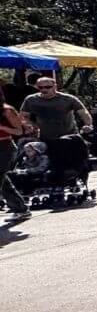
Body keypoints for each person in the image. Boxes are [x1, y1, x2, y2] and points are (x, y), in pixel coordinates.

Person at [20, 75, 92, 142]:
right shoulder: (31, 99)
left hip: (69, 136)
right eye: (40, 87)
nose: (44, 89)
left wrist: (88, 125)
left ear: (55, 86)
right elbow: (23, 116)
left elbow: (83, 113)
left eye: (48, 87)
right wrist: (30, 126)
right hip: (44, 137)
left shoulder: (68, 99)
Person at [0, 88, 33, 226]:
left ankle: (20, 208)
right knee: (3, 181)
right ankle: (20, 208)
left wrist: (2, 127)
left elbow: (19, 131)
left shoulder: (6, 110)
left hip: (4, 147)